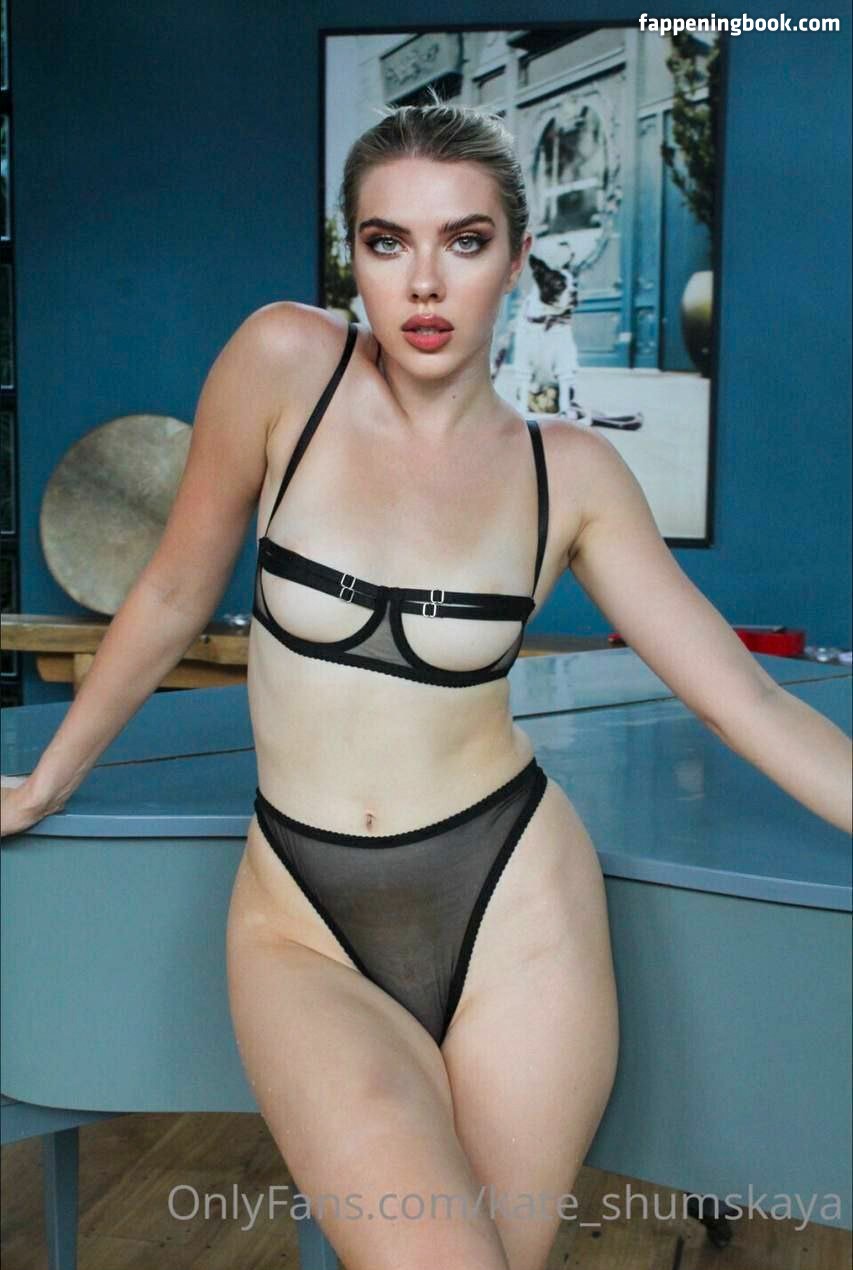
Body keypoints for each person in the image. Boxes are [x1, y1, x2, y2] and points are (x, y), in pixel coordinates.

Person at [2, 99, 851, 1270]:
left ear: (515, 256)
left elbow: (742, 697)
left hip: (515, 903)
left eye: (464, 239)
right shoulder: (282, 366)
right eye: (386, 241)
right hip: (301, 916)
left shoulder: (569, 475)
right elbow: (171, 592)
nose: (424, 282)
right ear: (351, 254)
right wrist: (46, 779)